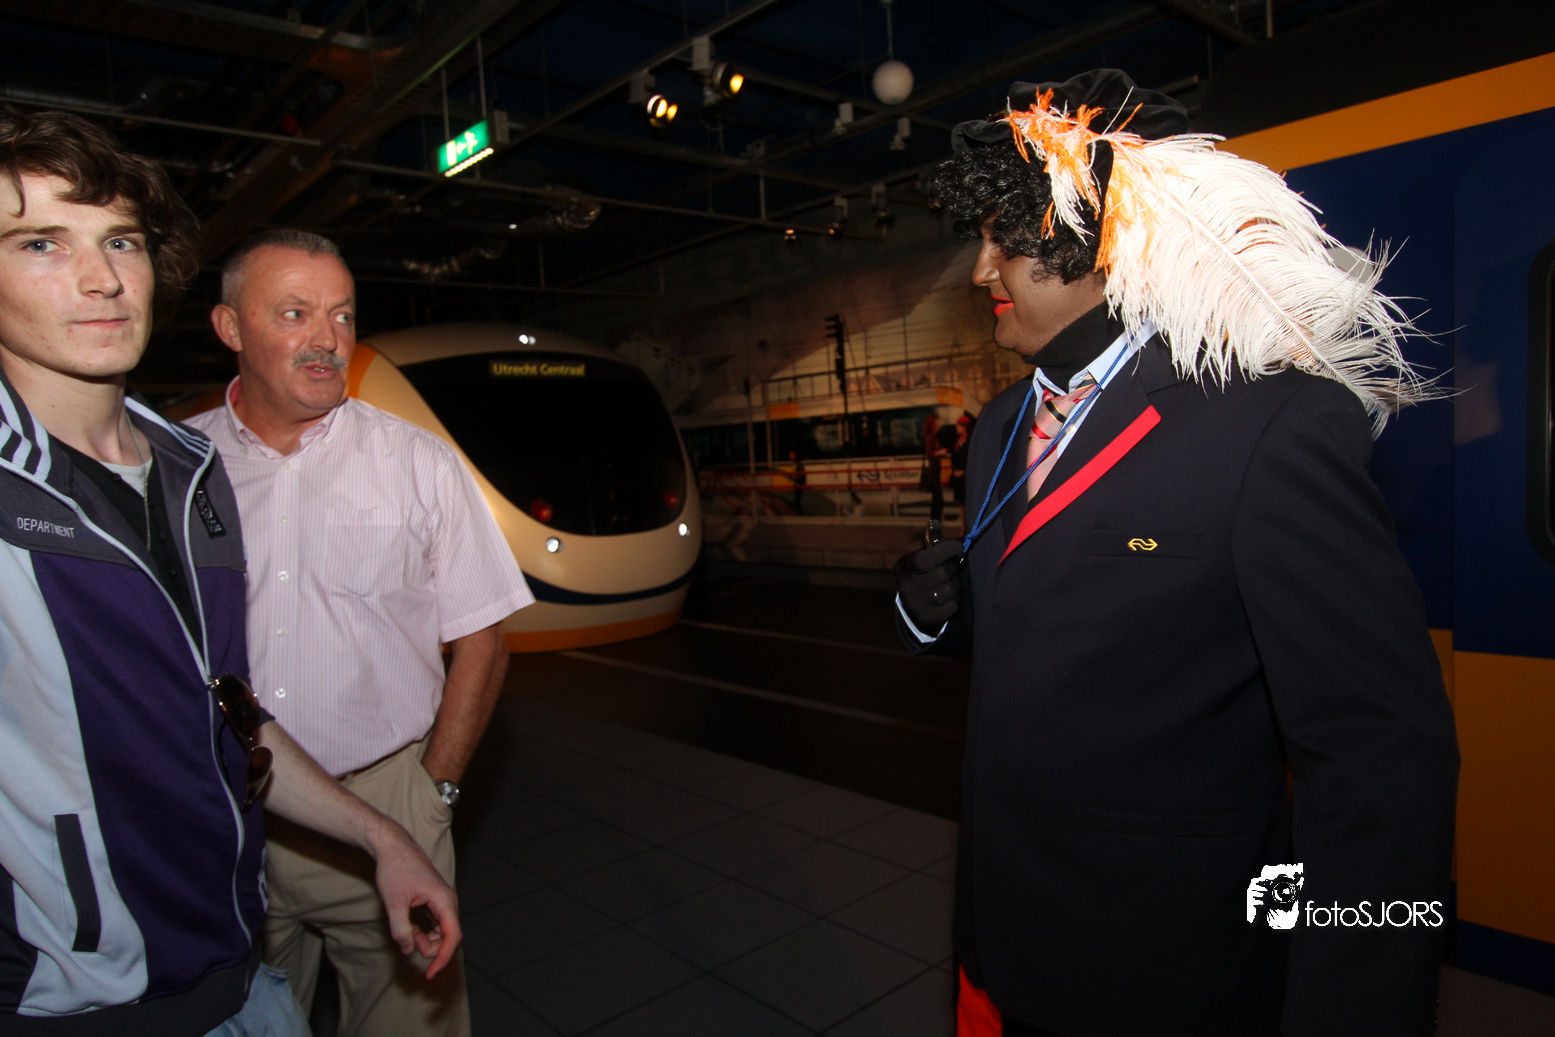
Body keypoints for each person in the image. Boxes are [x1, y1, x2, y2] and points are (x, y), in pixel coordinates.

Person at [893, 71, 1458, 1037]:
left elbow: (1379, 767)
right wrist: (935, 616)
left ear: (1106, 244)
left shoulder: (1267, 426)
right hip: (996, 936)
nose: (980, 271)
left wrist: (1352, 1010)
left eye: (1006, 241)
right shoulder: (998, 425)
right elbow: (1053, 629)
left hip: (1166, 970)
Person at [0, 105, 460, 1036]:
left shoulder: (190, 470)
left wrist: (385, 833)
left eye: (120, 240)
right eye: (41, 242)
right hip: (81, 1002)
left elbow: (221, 704)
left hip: (241, 974)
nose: (101, 278)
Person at [186, 229, 532, 1037]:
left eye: (341, 314)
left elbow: (483, 639)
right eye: (295, 313)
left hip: (386, 801)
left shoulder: (416, 461)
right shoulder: (179, 467)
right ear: (230, 327)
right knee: (236, 1018)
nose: (326, 338)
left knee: (410, 1019)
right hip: (225, 811)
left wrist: (433, 794)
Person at [922, 413, 950, 522]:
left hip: (936, 470)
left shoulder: (933, 436)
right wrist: (940, 452)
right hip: (933, 470)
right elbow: (929, 453)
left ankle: (934, 525)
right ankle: (935, 524)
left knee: (936, 500)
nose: (938, 426)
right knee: (938, 500)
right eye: (936, 424)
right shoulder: (930, 436)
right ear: (932, 425)